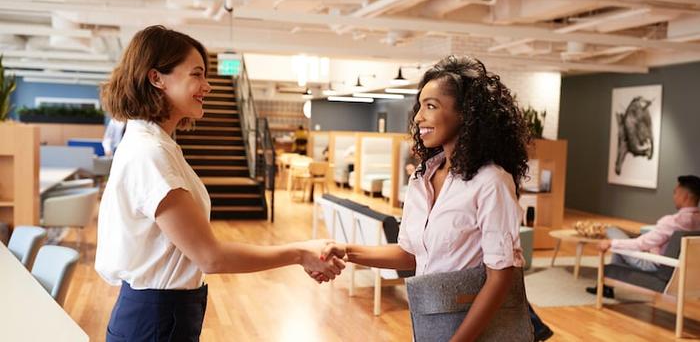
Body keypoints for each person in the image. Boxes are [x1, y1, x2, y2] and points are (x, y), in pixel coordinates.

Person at [95, 25, 343, 341]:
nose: (207, 86)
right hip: (155, 318)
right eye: (196, 75)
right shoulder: (150, 153)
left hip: (161, 312)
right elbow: (210, 257)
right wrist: (299, 252)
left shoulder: (157, 144)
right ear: (157, 78)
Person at [316, 55, 549, 341]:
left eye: (431, 106)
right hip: (430, 322)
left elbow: (500, 278)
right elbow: (411, 254)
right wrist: (347, 251)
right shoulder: (422, 178)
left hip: (472, 331)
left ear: (466, 113)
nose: (418, 118)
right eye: (420, 107)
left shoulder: (491, 182)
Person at [587, 175, 700, 298]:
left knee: (613, 232)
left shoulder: (672, 221)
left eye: (676, 193)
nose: (674, 197)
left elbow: (641, 243)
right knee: (624, 241)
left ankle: (605, 285)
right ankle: (606, 287)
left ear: (686, 196)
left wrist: (611, 243)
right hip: (686, 272)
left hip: (655, 265)